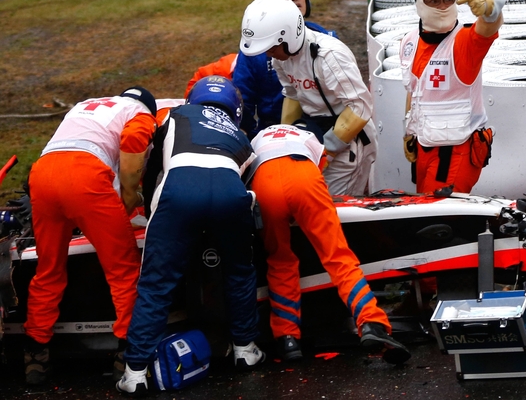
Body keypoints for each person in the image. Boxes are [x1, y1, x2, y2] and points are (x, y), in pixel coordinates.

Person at [117, 76, 264, 396]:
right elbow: (247, 180)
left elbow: (153, 166)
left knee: (156, 283)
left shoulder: (173, 116)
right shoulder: (241, 135)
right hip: (230, 192)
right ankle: (245, 349)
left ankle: (135, 372)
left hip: (180, 188)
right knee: (239, 272)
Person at [247, 121, 412, 365]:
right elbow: (320, 173)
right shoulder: (310, 138)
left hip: (264, 182)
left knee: (280, 260)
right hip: (303, 176)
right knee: (338, 258)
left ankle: (287, 338)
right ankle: (371, 323)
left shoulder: (259, 135)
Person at [23, 87, 158, 385]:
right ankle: (129, 355)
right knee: (123, 270)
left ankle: (35, 353)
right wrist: (129, 192)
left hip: (43, 175)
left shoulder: (86, 105)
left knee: (48, 269)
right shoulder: (140, 113)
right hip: (85, 176)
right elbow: (134, 142)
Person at [239, 0, 375, 196]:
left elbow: (360, 107)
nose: (268, 54)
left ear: (288, 35)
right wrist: (286, 144)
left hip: (350, 142)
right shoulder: (281, 58)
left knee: (336, 208)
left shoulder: (329, 55)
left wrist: (325, 151)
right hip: (318, 136)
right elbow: (292, 95)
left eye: (272, 47)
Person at [399, 0, 505, 194]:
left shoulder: (465, 41)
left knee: (439, 219)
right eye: (434, 0)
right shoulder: (409, 41)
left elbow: (488, 27)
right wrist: (409, 132)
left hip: (456, 151)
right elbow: (414, 88)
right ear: (420, 4)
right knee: (422, 211)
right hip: (423, 145)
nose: (443, 5)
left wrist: (490, 10)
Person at [235, 0, 338, 139]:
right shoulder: (254, 51)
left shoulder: (325, 41)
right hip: (271, 134)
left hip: (322, 132)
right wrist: (251, 137)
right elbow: (243, 100)